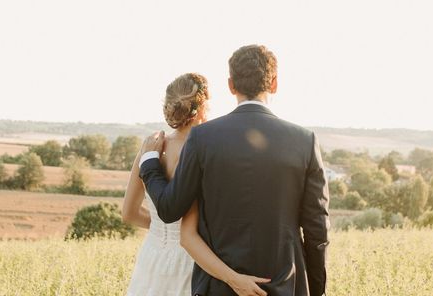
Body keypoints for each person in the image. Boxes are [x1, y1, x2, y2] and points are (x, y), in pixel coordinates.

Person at [139, 45, 330, 296]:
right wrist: (317, 291)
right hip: (286, 286)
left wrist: (150, 163)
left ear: (230, 85)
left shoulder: (202, 138)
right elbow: (317, 231)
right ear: (274, 83)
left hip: (219, 288)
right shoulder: (305, 141)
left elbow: (169, 207)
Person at [124, 73, 269, 296]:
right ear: (201, 108)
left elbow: (129, 214)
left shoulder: (151, 148)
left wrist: (162, 231)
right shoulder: (208, 152)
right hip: (192, 260)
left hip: (151, 258)